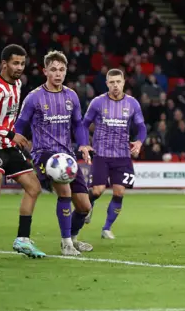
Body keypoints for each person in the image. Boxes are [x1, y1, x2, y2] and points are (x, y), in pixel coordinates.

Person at [14, 50, 94, 256]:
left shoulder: (71, 96)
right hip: (44, 154)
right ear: (45, 71)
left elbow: (78, 124)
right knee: (65, 192)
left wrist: (84, 145)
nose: (58, 74)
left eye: (61, 70)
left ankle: (73, 238)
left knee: (84, 206)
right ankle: (66, 243)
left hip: (67, 155)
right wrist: (16, 141)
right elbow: (20, 124)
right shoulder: (34, 97)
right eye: (53, 70)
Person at [0, 44, 46, 262]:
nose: (19, 67)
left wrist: (17, 136)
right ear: (4, 64)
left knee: (34, 187)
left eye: (22, 63)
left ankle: (23, 240)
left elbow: (10, 116)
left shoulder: (17, 84)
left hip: (10, 145)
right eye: (15, 63)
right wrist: (11, 134)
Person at [83, 69, 146, 239]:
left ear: (124, 82)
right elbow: (84, 124)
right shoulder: (97, 102)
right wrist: (84, 144)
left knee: (119, 192)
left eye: (118, 82)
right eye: (112, 82)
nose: (115, 85)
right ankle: (87, 206)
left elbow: (141, 127)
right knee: (97, 190)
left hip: (122, 155)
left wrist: (139, 142)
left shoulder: (132, 104)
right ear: (107, 84)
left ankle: (106, 228)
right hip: (101, 153)